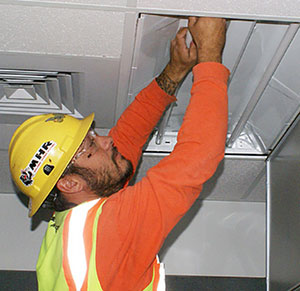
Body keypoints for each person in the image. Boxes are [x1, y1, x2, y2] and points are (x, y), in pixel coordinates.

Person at [8, 17, 229, 291]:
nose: (105, 141)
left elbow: (125, 139)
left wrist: (174, 71)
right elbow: (197, 158)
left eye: (92, 137)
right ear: (70, 184)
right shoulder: (107, 231)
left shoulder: (75, 229)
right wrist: (210, 57)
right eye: (90, 147)